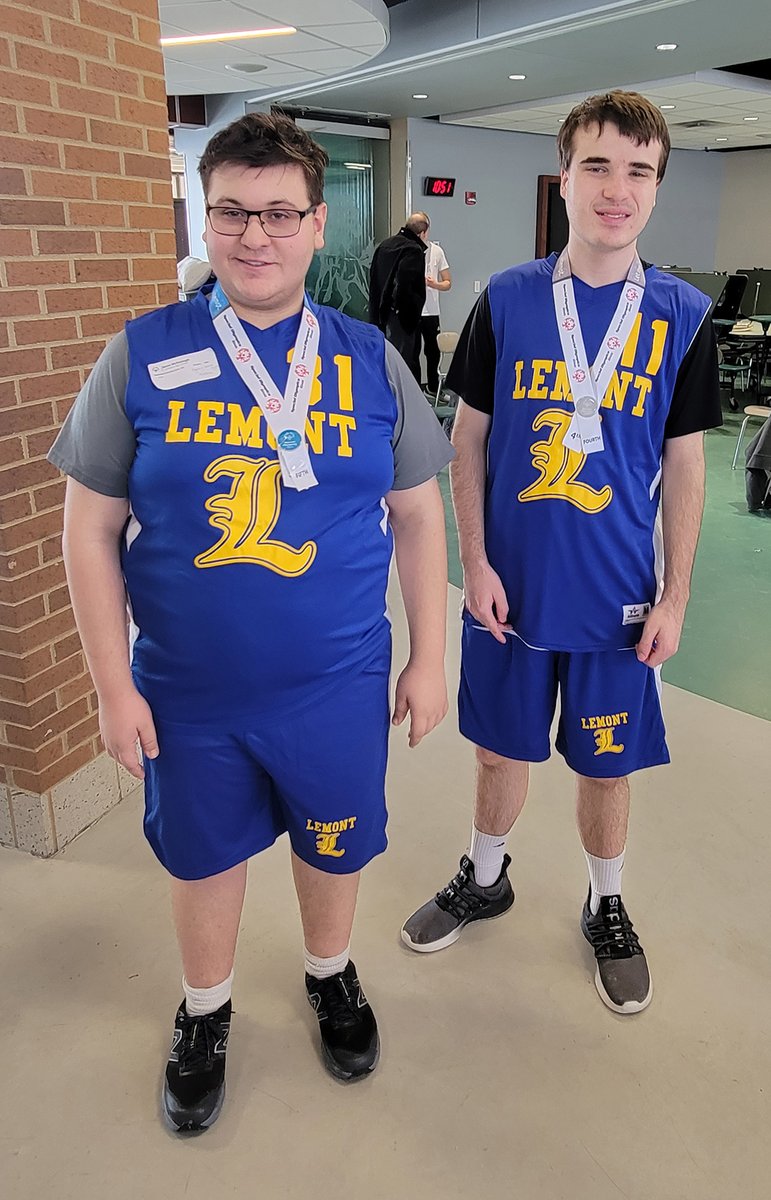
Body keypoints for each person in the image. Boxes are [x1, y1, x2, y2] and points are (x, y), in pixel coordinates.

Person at [49, 112, 453, 1133]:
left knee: (332, 844)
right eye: (231, 210)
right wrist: (111, 684)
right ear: (206, 216)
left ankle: (328, 974)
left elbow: (416, 514)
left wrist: (429, 657)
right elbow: (88, 529)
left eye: (278, 213)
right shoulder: (140, 355)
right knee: (205, 854)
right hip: (191, 693)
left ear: (319, 227)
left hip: (337, 685)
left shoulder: (371, 362)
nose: (253, 235)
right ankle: (206, 1010)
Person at [401, 90, 722, 1015]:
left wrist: (675, 594)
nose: (615, 189)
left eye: (637, 171)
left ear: (655, 188)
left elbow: (685, 464)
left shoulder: (681, 315)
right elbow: (466, 439)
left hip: (620, 597)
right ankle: (486, 872)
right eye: (597, 166)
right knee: (499, 754)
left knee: (605, 763)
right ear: (565, 177)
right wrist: (476, 564)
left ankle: (605, 899)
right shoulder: (505, 299)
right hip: (513, 589)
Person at [368, 213, 428, 381]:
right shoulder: (413, 250)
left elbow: (373, 278)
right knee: (404, 368)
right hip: (401, 320)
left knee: (384, 365)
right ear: (422, 233)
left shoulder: (384, 246)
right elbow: (404, 285)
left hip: (380, 316)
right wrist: (409, 318)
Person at [418, 216, 452, 397]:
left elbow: (448, 282)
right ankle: (413, 391)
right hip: (412, 310)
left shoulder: (437, 251)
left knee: (432, 351)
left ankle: (432, 388)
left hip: (431, 311)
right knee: (411, 352)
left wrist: (434, 284)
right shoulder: (407, 250)